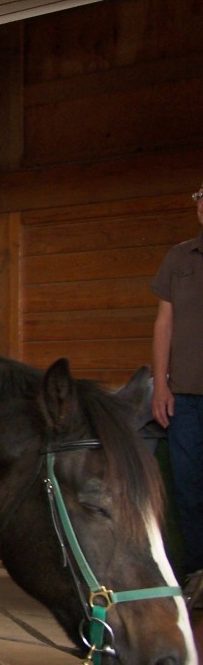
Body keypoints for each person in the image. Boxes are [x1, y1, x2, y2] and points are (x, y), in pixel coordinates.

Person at [150, 179, 203, 602]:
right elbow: (163, 324)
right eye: (202, 199)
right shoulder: (178, 257)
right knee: (188, 489)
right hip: (184, 397)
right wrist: (160, 384)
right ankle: (197, 574)